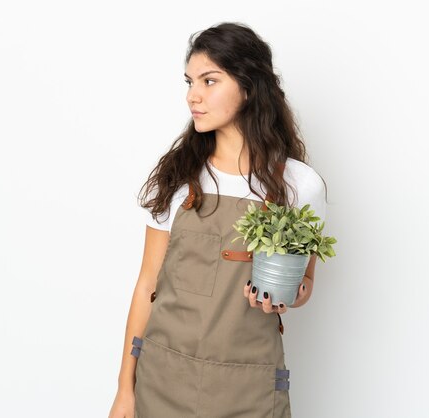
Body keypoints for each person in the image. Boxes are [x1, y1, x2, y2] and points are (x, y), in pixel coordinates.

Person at [108, 22, 328, 418]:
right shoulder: (177, 179)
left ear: (249, 86)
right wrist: (126, 389)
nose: (194, 95)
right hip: (163, 381)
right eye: (190, 82)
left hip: (249, 389)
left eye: (210, 81)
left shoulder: (299, 185)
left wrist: (286, 294)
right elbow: (146, 287)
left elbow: (306, 283)